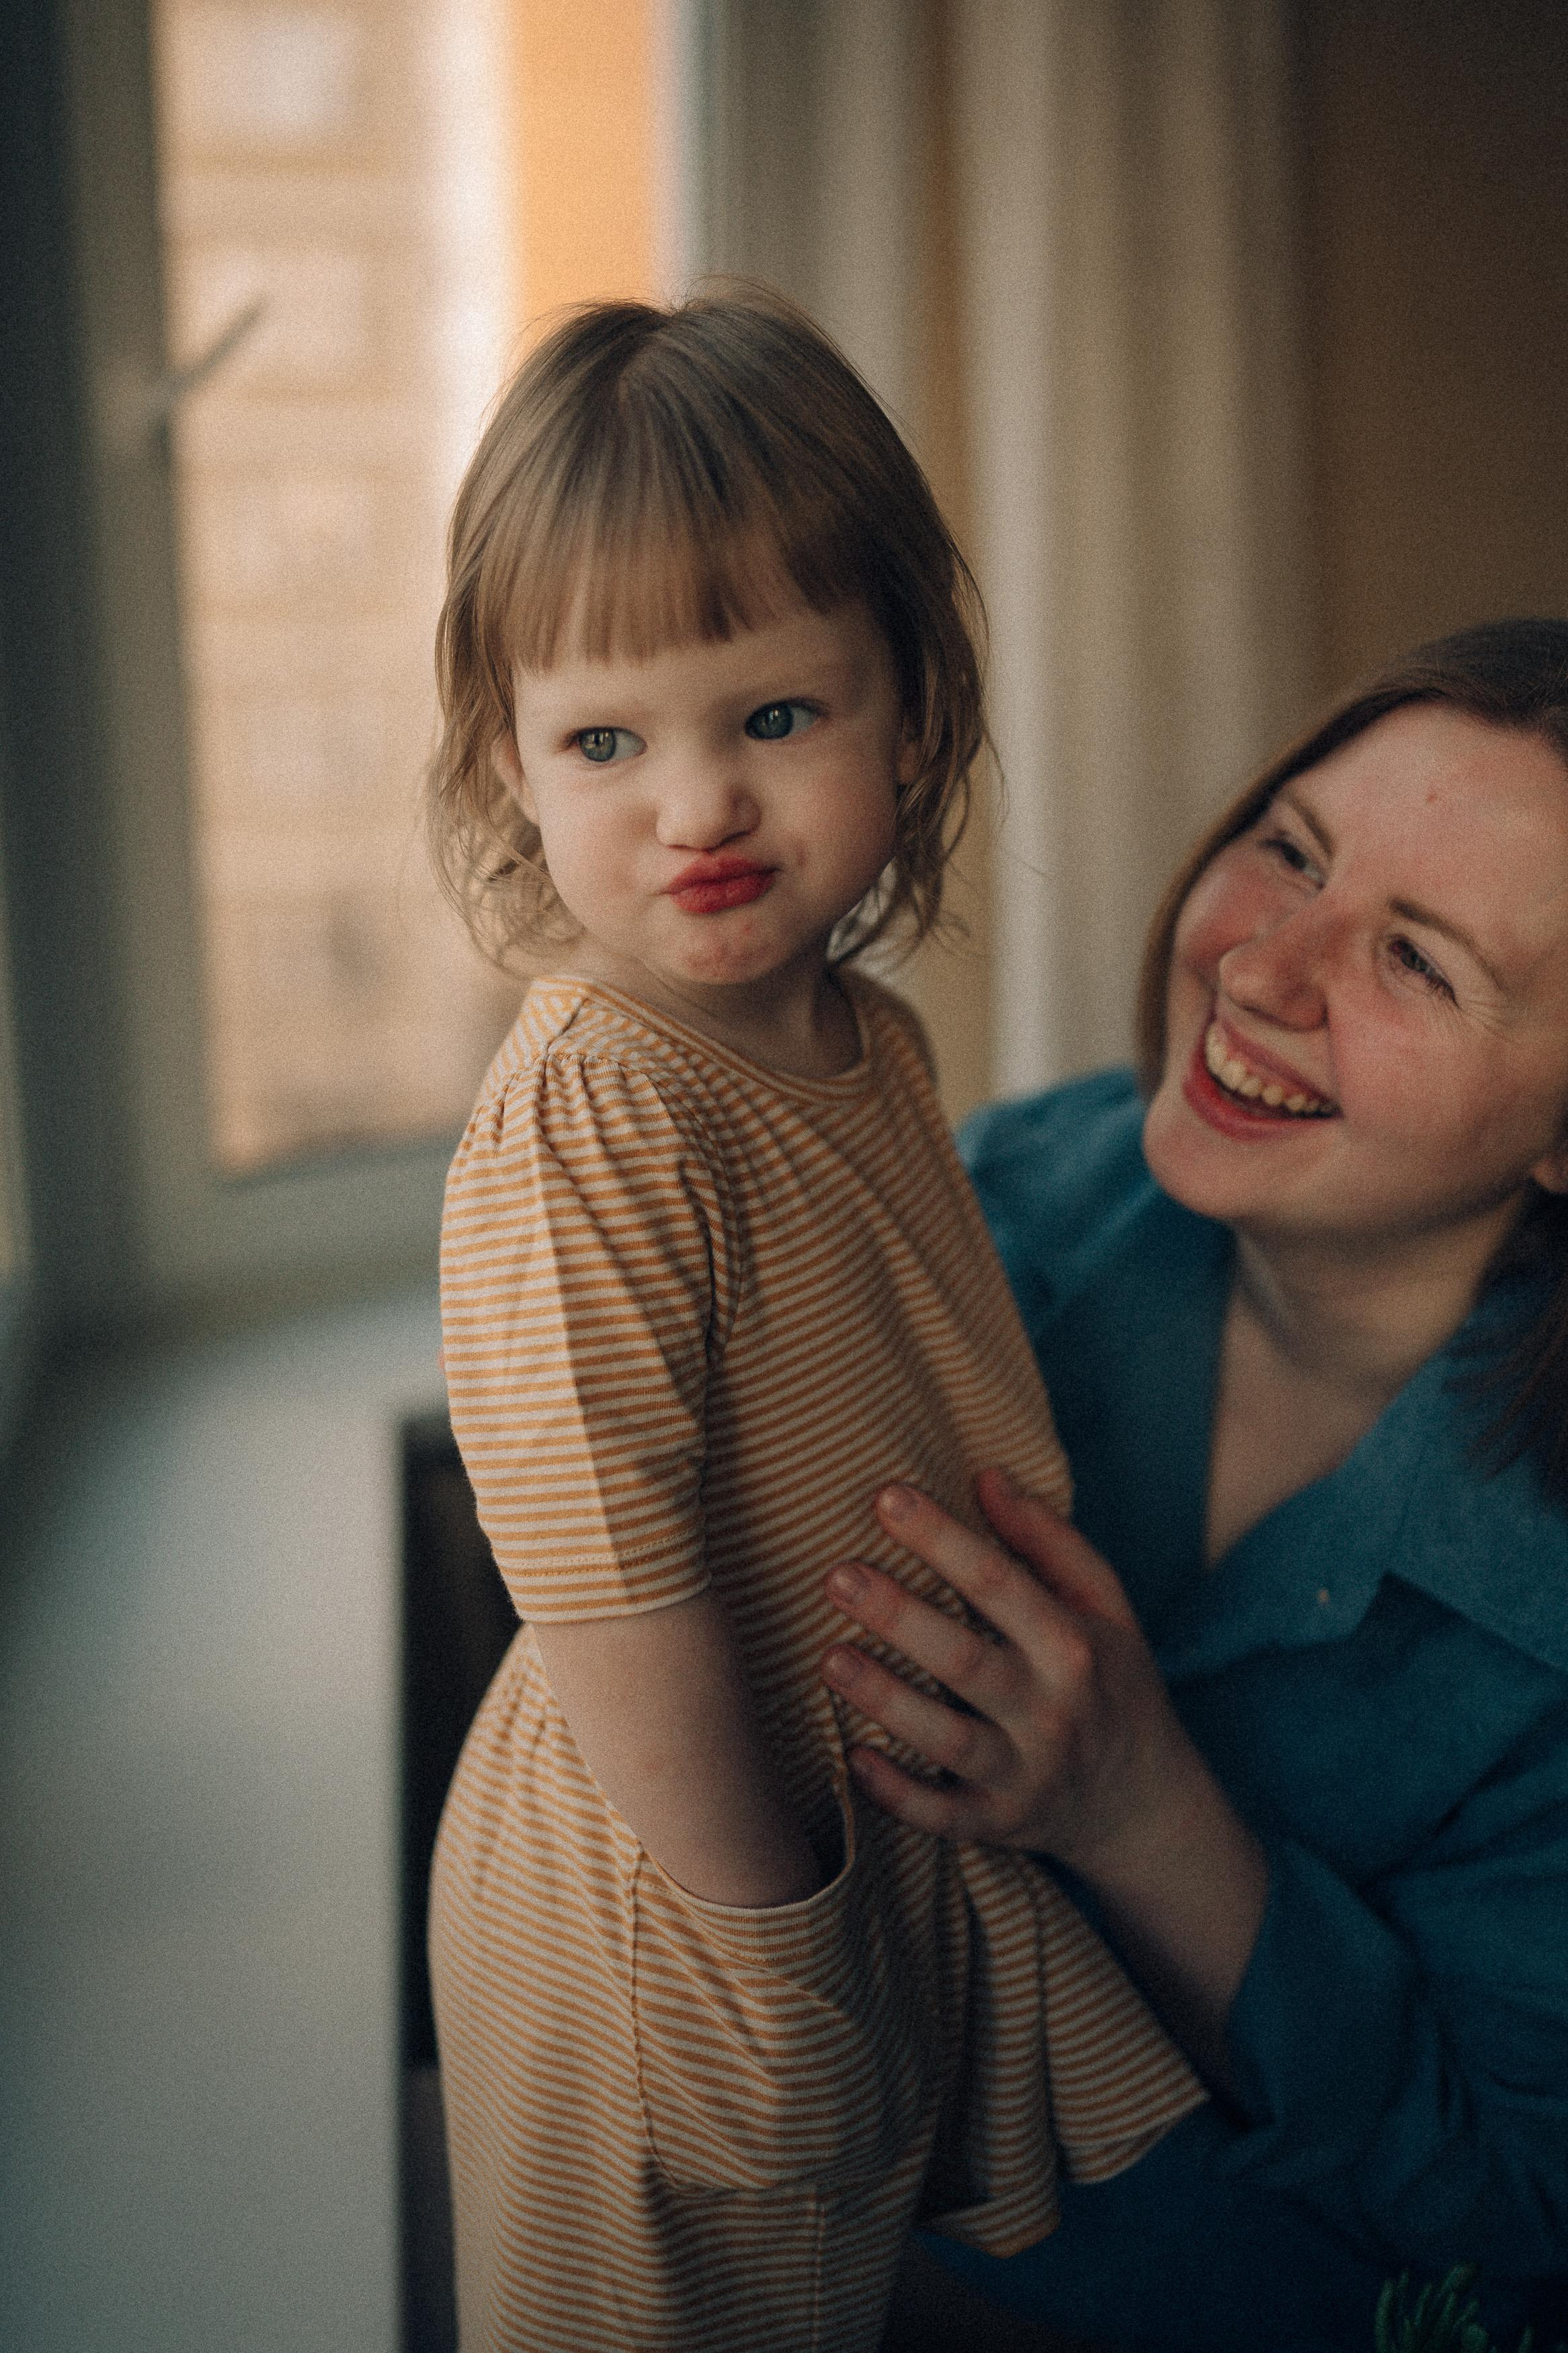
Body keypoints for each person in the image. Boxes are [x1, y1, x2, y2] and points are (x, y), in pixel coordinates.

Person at [424, 289, 1204, 2353]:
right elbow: (608, 1582)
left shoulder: (861, 1034)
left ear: (912, 717)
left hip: (825, 1828)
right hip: (682, 1884)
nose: (698, 809)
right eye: (609, 741)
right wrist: (776, 1948)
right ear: (512, 756)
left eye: (774, 719)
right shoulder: (597, 1102)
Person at [823, 619, 1568, 2353]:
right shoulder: (981, 1206)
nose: (1264, 969)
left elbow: (1515, 2198)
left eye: (1420, 962)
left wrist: (1144, 1815)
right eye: (1290, 851)